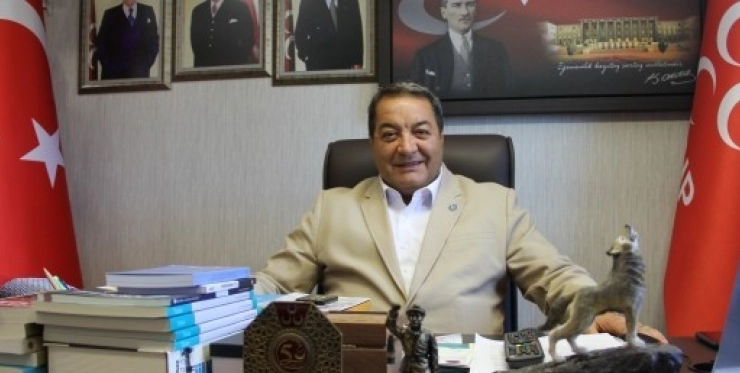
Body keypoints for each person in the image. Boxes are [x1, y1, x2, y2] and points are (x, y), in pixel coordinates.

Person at [254, 81, 667, 343]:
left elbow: (553, 274)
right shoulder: (331, 208)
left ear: (441, 138)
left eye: (420, 131)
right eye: (389, 134)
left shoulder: (495, 204)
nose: (406, 147)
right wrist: (223, 300)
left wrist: (599, 308)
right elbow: (273, 283)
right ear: (372, 143)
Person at [410, 0, 514, 98]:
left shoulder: (496, 50)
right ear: (443, 13)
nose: (465, 12)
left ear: (475, 10)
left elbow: (507, 90)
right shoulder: (425, 56)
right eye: (457, 5)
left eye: (470, 4)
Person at [386, 304, 437, 373]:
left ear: (422, 317)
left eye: (418, 316)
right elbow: (391, 326)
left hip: (422, 368)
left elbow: (434, 355)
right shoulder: (404, 332)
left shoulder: (429, 334)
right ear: (408, 317)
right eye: (412, 316)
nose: (415, 319)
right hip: (407, 368)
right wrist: (393, 313)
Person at [95, 0, 160, 80]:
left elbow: (154, 42)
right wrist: (109, 67)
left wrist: (144, 66)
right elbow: (100, 44)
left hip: (139, 76)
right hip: (113, 76)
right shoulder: (109, 14)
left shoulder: (147, 11)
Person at [294, 0, 363, 71]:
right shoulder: (308, 3)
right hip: (318, 65)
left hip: (345, 64)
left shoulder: (351, 2)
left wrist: (357, 61)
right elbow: (300, 33)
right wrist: (306, 57)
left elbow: (357, 32)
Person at [190, 0, 255, 67]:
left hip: (231, 66)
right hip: (203, 66)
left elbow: (248, 39)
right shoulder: (198, 10)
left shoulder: (240, 7)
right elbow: (195, 41)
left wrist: (237, 63)